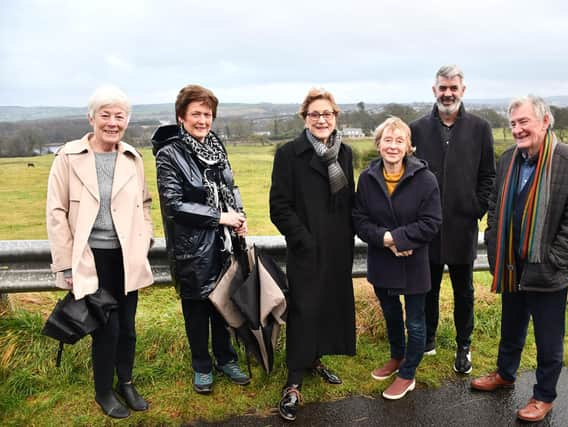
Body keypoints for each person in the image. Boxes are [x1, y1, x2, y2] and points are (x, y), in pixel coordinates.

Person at [470, 95, 568, 422]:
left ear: (545, 121)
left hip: (549, 269)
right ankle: (505, 374)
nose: (517, 129)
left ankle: (544, 396)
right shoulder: (509, 158)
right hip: (512, 264)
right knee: (511, 327)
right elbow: (496, 204)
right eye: (512, 123)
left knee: (548, 337)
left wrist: (554, 258)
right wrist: (493, 239)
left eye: (524, 121)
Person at [46, 86, 154, 418]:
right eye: (105, 115)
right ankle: (103, 392)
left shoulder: (132, 158)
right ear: (91, 118)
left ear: (127, 120)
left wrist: (144, 236)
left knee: (129, 327)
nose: (112, 122)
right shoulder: (68, 157)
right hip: (92, 258)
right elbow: (56, 212)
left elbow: (145, 204)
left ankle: (126, 382)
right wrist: (66, 265)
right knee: (107, 328)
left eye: (119, 116)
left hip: (127, 257)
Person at [152, 84, 250, 394]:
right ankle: (201, 366)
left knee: (223, 305)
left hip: (223, 244)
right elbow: (173, 205)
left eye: (208, 114)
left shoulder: (216, 146)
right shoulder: (169, 153)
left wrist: (239, 216)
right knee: (196, 310)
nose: (203, 120)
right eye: (196, 114)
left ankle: (226, 359)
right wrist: (219, 217)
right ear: (181, 116)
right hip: (191, 247)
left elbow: (230, 187)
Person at [270, 88, 356, 421]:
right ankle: (293, 381)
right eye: (315, 114)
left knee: (329, 303)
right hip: (306, 247)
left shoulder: (344, 152)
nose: (322, 120)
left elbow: (350, 199)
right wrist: (303, 239)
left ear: (336, 117)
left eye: (328, 114)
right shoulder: (289, 153)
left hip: (338, 246)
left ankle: (316, 358)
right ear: (305, 118)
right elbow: (279, 205)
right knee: (304, 308)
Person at [410, 64, 496, 374]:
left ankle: (464, 345)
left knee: (464, 290)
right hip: (427, 226)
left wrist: (476, 207)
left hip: (462, 225)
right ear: (434, 91)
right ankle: (428, 338)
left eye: (453, 88)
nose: (448, 93)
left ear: (463, 90)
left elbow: (488, 174)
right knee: (427, 287)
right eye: (442, 88)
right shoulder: (416, 128)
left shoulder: (480, 128)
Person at [353, 117, 441, 400]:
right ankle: (397, 357)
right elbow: (359, 219)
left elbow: (432, 222)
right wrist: (387, 240)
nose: (393, 146)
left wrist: (399, 239)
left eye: (399, 140)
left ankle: (408, 373)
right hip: (383, 259)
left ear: (409, 146)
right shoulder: (367, 179)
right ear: (378, 145)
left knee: (415, 321)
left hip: (414, 261)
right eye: (387, 140)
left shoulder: (426, 179)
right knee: (391, 314)